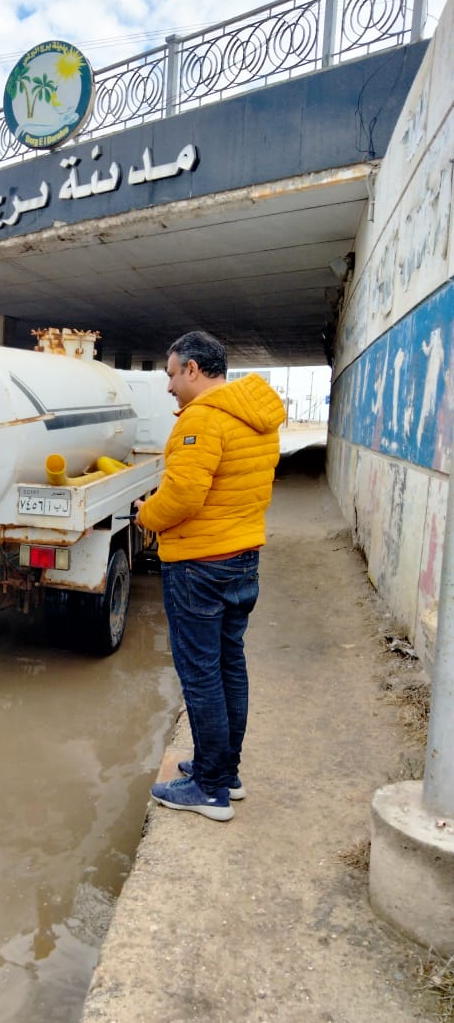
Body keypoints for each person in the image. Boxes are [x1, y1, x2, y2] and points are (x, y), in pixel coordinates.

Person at [135, 331, 285, 822]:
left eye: (172, 373)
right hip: (242, 558)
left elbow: (182, 497)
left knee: (201, 674)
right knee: (228, 666)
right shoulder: (255, 416)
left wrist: (145, 515)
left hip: (200, 565)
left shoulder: (200, 420)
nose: (169, 386)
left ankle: (209, 789)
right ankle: (224, 770)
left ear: (193, 370)